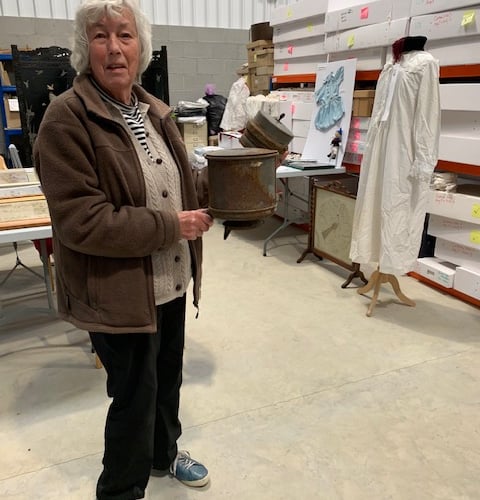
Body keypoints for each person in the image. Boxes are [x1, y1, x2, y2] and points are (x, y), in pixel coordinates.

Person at [33, 1, 213, 499]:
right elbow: (80, 221)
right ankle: (121, 489)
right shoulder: (67, 118)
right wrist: (169, 225)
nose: (115, 48)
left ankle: (164, 455)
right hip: (118, 290)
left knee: (167, 379)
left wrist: (214, 181)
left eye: (125, 35)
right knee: (134, 397)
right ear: (83, 48)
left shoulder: (152, 109)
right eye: (100, 36)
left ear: (141, 47)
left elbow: (171, 181)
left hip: (169, 279)